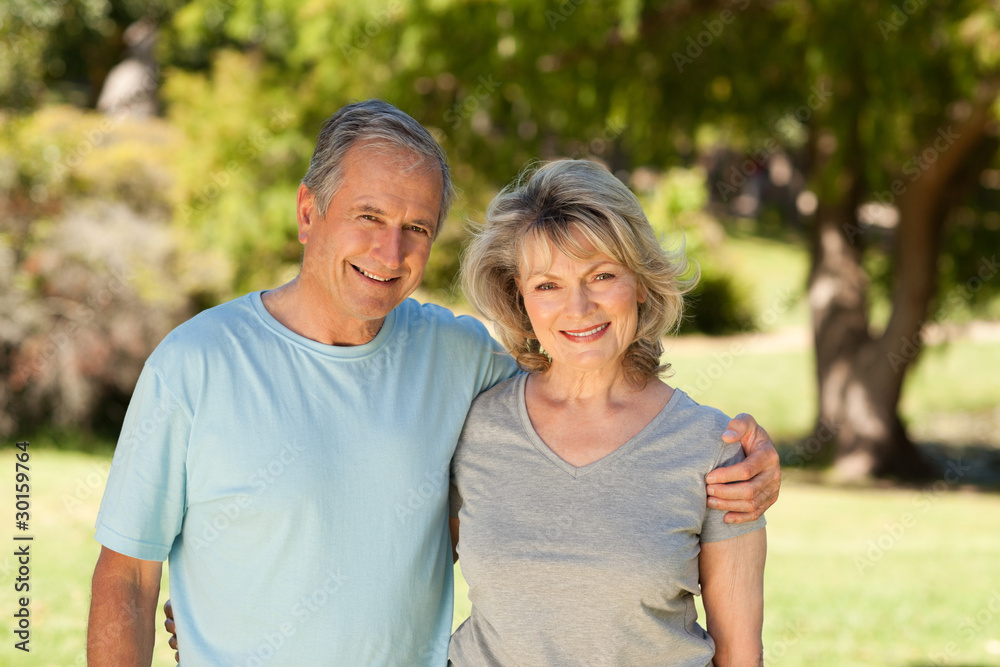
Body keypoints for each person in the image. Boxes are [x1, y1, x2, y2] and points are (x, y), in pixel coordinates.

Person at [89, 100, 779, 666]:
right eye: (369, 217)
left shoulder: (460, 360)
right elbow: (126, 576)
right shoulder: (196, 364)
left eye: (416, 228)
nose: (390, 253)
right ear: (307, 212)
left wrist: (754, 460)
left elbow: (589, 400)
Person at [448, 159, 767, 666]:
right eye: (547, 285)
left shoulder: (713, 446)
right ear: (519, 297)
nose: (578, 307)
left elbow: (740, 654)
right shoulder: (472, 428)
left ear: (640, 282)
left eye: (601, 275)